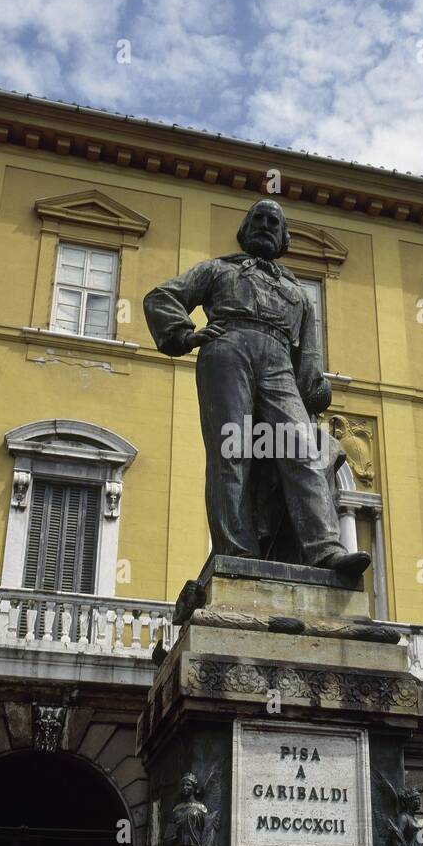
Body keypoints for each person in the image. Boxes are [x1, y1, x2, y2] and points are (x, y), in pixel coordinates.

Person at [144, 199, 370, 576]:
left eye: (273, 222)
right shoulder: (218, 269)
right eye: (258, 220)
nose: (265, 225)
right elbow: (162, 296)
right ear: (245, 231)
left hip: (278, 361)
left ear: (284, 237)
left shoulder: (299, 294)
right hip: (226, 349)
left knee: (301, 449)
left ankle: (326, 549)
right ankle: (237, 551)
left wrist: (313, 389)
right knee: (231, 451)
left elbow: (310, 352)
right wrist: (186, 335)